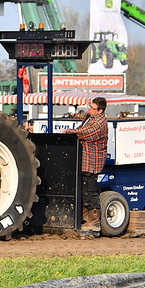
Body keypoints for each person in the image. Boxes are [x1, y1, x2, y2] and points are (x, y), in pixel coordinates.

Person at [64, 97, 108, 234]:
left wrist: (68, 132)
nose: (89, 109)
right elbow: (81, 129)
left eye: (92, 108)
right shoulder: (90, 118)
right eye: (89, 106)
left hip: (92, 162)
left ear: (100, 111)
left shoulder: (100, 123)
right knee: (84, 191)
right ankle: (84, 218)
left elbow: (84, 133)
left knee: (90, 192)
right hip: (84, 161)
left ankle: (94, 222)